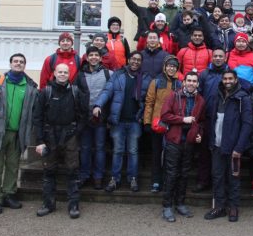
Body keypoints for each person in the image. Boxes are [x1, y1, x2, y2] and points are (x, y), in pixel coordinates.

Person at [0, 53, 39, 214]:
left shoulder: (30, 86)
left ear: (25, 65)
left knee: (12, 166)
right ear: (10, 64)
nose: (18, 64)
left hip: (18, 134)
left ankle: (9, 194)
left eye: (21, 62)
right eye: (15, 61)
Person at [34, 64, 89, 219]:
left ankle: (73, 205)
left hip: (70, 135)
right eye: (60, 72)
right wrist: (39, 141)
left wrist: (76, 132)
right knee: (49, 171)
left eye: (66, 72)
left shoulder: (75, 92)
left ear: (69, 74)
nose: (63, 74)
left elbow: (83, 115)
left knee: (73, 171)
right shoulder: (45, 92)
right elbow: (37, 118)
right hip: (49, 136)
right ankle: (48, 204)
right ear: (55, 73)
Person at [93, 51, 151, 193]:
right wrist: (98, 105)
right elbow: (107, 91)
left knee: (133, 151)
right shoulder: (118, 75)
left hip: (135, 121)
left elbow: (149, 99)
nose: (135, 62)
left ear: (141, 62)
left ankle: (133, 179)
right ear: (128, 60)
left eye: (138, 60)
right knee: (118, 151)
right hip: (118, 121)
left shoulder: (145, 78)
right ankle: (114, 179)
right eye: (133, 59)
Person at [204, 70, 252, 222]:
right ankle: (219, 207)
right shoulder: (216, 95)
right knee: (217, 177)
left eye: (230, 78)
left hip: (233, 147)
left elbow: (247, 124)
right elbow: (211, 118)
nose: (227, 81)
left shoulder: (242, 98)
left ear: (236, 79)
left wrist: (239, 147)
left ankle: (233, 207)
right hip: (217, 145)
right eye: (225, 78)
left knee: (233, 178)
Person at [159, 71, 206, 222]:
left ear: (197, 84)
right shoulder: (174, 95)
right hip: (174, 140)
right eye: (189, 80)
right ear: (184, 82)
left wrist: (199, 133)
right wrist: (182, 119)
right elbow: (165, 116)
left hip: (189, 142)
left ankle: (180, 203)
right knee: (171, 174)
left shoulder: (200, 100)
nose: (191, 83)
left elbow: (201, 121)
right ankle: (167, 206)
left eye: (194, 81)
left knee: (184, 174)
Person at [144, 56, 183, 193]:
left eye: (174, 66)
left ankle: (168, 180)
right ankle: (156, 180)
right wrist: (147, 121)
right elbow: (149, 102)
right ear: (165, 67)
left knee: (170, 155)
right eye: (169, 66)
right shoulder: (156, 82)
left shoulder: (180, 83)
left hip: (173, 124)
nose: (171, 68)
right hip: (157, 123)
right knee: (156, 153)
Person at [194, 48, 229, 193]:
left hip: (223, 118)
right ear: (212, 58)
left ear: (225, 58)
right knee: (204, 152)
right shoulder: (204, 74)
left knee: (222, 152)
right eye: (216, 56)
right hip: (207, 118)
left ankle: (220, 183)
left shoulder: (229, 74)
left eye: (221, 56)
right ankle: (203, 181)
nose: (218, 58)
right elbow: (199, 95)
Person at [76, 46, 112, 190]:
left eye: (96, 55)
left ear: (100, 58)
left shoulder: (108, 73)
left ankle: (98, 177)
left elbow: (111, 93)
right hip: (84, 118)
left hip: (101, 118)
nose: (94, 58)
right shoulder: (80, 75)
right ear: (87, 57)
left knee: (100, 148)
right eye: (91, 55)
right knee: (85, 148)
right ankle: (84, 175)